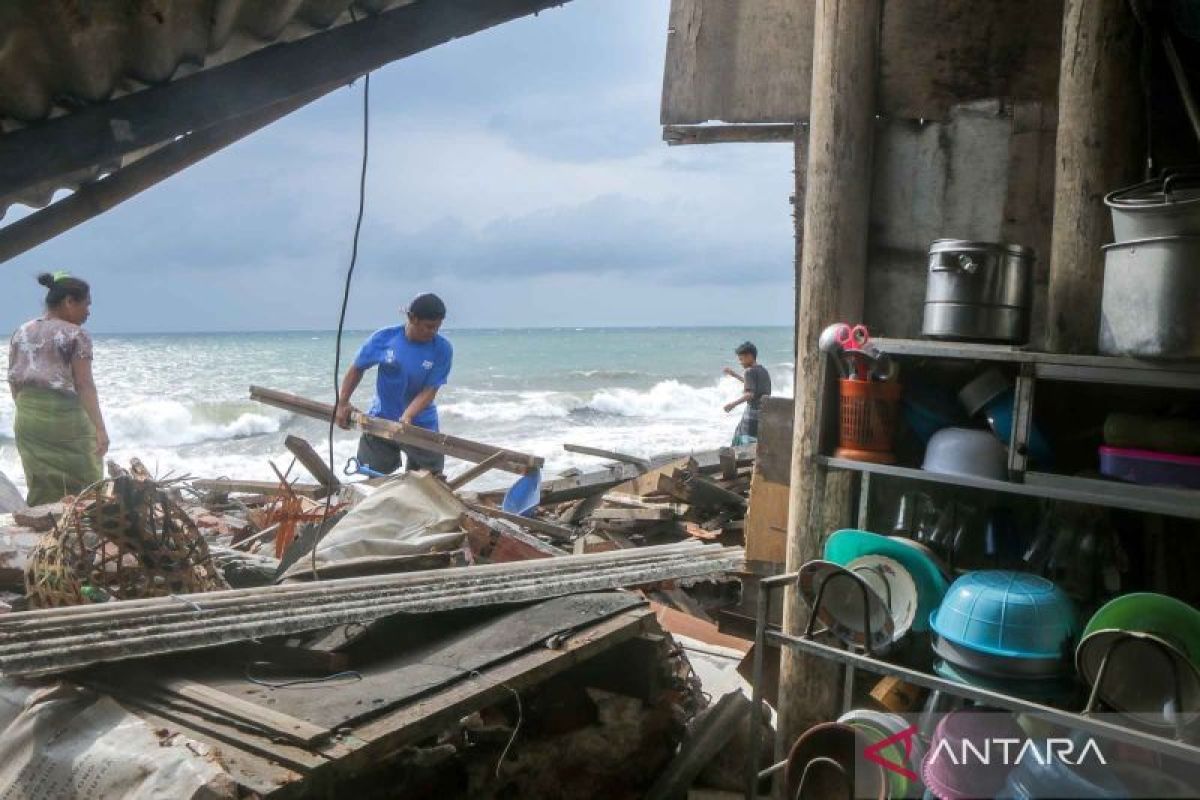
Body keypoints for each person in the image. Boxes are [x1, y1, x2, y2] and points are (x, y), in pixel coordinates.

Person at [8, 272, 108, 505]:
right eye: (86, 304)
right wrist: (100, 429)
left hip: (27, 417)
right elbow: (84, 384)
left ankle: (45, 533)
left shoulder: (20, 331)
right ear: (69, 301)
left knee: (41, 484)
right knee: (87, 482)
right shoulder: (76, 334)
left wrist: (29, 411)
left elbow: (13, 380)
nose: (88, 312)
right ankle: (84, 534)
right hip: (67, 420)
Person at [336, 293, 453, 476]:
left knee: (429, 485)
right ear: (412, 318)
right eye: (429, 327)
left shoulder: (442, 349)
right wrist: (342, 403)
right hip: (381, 420)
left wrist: (408, 416)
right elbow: (357, 368)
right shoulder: (384, 339)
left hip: (421, 425)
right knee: (372, 480)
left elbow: (430, 390)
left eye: (437, 327)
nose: (433, 332)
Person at [723, 341, 771, 445]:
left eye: (741, 359)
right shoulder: (763, 370)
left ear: (749, 356)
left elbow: (750, 394)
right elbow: (753, 385)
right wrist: (734, 375)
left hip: (751, 415)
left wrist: (732, 404)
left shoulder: (749, 371)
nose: (740, 362)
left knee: (742, 444)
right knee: (756, 446)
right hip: (763, 414)